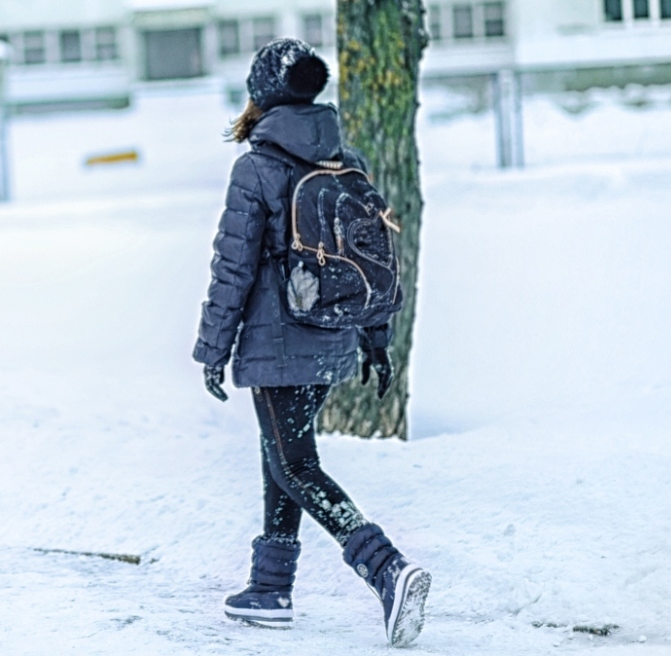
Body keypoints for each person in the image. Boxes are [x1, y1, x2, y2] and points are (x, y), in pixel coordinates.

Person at [193, 38, 431, 648]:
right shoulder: (342, 158)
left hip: (277, 345)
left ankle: (386, 568)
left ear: (263, 96)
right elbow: (371, 258)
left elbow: (232, 270)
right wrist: (375, 335)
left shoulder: (257, 167)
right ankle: (270, 588)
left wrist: (212, 348)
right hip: (333, 340)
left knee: (295, 463)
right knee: (284, 457)